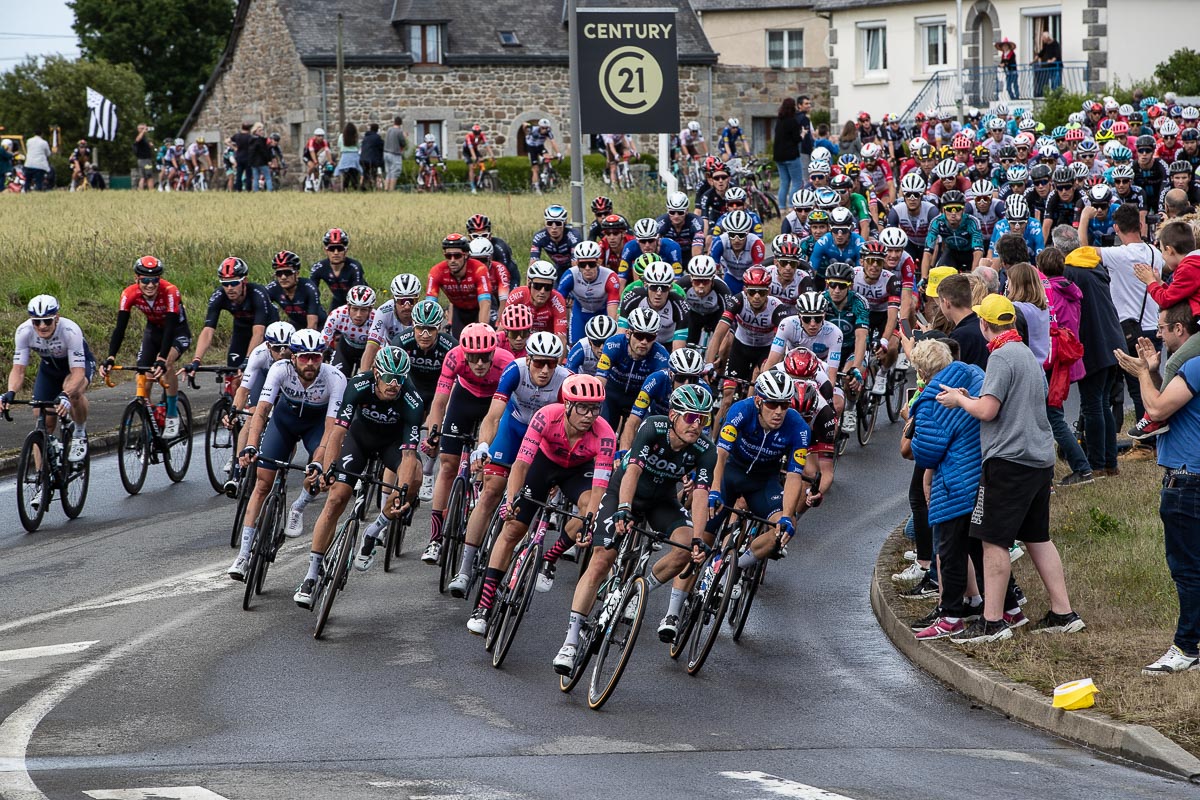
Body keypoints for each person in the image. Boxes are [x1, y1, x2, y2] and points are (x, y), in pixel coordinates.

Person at [936, 294, 1084, 643]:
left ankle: (992, 622)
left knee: (993, 540)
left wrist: (959, 400)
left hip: (1009, 462)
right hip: (1038, 459)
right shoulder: (1027, 355)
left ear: (985, 325)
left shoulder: (1001, 357)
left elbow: (988, 411)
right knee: (1037, 537)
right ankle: (1064, 612)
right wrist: (971, 398)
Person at [553, 384, 716, 672]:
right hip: (625, 490)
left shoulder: (705, 450)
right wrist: (624, 509)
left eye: (703, 419)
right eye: (691, 417)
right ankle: (569, 641)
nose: (697, 425)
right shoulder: (653, 428)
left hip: (661, 500)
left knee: (684, 548)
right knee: (602, 558)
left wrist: (698, 540)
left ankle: (637, 593)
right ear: (673, 415)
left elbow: (701, 494)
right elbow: (634, 470)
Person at [292, 346, 423, 604]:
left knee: (415, 475)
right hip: (359, 441)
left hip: (392, 445)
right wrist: (330, 468)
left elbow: (408, 456)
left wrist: (402, 492)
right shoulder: (358, 385)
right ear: (376, 373)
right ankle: (311, 575)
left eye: (400, 378)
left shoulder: (412, 400)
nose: (394, 384)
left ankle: (375, 531)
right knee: (336, 498)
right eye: (388, 377)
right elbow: (338, 433)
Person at [1112, 307, 1200, 675]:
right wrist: (1153, 369)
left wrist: (1141, 376)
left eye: (1164, 329)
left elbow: (1156, 408)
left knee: (1187, 570)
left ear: (1182, 327)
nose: (1160, 335)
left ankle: (1186, 646)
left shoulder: (1194, 365)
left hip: (1187, 480)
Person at [227, 329, 346, 579]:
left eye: (316, 357)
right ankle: (243, 555)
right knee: (262, 483)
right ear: (293, 357)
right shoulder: (280, 369)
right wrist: (251, 444)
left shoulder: (335, 377)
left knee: (317, 477)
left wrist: (317, 460)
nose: (311, 363)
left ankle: (299, 506)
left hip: (317, 427)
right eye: (304, 357)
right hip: (284, 422)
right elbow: (261, 411)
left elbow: (331, 427)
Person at [908, 338, 986, 638]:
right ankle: (1007, 603)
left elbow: (926, 452)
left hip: (954, 483)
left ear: (923, 371)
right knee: (983, 547)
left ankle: (950, 614)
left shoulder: (931, 400)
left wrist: (912, 428)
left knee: (949, 551)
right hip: (981, 473)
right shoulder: (974, 375)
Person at [100, 256, 191, 441]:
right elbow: (120, 328)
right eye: (145, 280)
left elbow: (171, 327)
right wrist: (110, 357)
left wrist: (162, 358)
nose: (150, 285)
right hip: (153, 331)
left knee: (167, 364)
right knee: (143, 374)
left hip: (176, 332)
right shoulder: (129, 294)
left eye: (155, 280)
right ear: (137, 279)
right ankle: (149, 422)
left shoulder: (170, 291)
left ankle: (172, 413)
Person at [3, 296, 94, 464]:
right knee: (42, 419)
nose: (42, 326)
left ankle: (79, 433)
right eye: (37, 322)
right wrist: (10, 392)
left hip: (76, 367)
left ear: (56, 318)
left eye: (47, 321)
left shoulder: (70, 331)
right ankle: (41, 482)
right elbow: (18, 370)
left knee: (73, 394)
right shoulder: (24, 332)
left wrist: (65, 394)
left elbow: (78, 372)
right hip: (49, 370)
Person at [1064, 244, 1126, 477]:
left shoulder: (1071, 272)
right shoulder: (1094, 268)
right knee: (1102, 404)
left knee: (1092, 405)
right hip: (1112, 340)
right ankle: (1110, 463)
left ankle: (1097, 464)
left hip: (1095, 344)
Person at [1037, 248, 1091, 485]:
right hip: (1067, 358)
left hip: (1055, 359)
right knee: (1053, 414)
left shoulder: (1050, 294)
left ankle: (1081, 467)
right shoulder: (1071, 290)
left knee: (1053, 416)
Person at [931, 273, 989, 369]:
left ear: (946, 303)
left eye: (940, 302)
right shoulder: (982, 325)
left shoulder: (959, 336)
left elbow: (946, 374)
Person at [310, 227, 366, 311]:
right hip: (338, 301)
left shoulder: (355, 267)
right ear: (326, 251)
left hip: (360, 301)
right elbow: (311, 294)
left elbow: (358, 294)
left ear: (345, 251)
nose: (336, 253)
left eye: (340, 249)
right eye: (332, 249)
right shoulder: (318, 268)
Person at [774, 98, 804, 212]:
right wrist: (803, 135)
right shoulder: (793, 121)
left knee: (784, 182)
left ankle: (781, 208)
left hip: (779, 156)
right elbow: (796, 139)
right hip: (791, 155)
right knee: (797, 182)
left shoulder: (779, 120)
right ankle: (792, 205)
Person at [383, 116, 407, 192]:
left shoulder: (389, 130)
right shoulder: (399, 131)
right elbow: (403, 143)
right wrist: (405, 137)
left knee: (388, 172)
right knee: (395, 172)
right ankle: (391, 189)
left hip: (386, 153)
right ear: (400, 124)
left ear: (394, 122)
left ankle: (386, 188)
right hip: (394, 154)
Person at [335, 123, 361, 191]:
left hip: (345, 156)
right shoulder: (355, 136)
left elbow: (339, 146)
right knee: (354, 174)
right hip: (354, 156)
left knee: (346, 175)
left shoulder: (341, 136)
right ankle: (355, 188)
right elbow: (358, 146)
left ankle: (345, 188)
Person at [1035, 31, 1062, 96]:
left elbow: (1057, 54)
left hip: (1056, 66)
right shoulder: (1046, 45)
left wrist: (1052, 60)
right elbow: (1041, 53)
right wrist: (1034, 60)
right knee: (1051, 82)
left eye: (1043, 38)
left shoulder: (1055, 44)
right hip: (1050, 67)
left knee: (1055, 82)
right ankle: (1052, 95)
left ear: (1047, 38)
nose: (1043, 40)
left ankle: (1057, 96)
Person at [360, 123, 384, 190]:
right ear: (377, 130)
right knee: (373, 174)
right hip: (372, 160)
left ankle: (363, 188)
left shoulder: (365, 138)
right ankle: (371, 188)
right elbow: (381, 147)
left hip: (363, 159)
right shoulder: (377, 138)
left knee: (365, 174)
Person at [231, 122, 254, 192]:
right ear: (249, 129)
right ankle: (248, 190)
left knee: (239, 175)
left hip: (239, 157)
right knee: (248, 175)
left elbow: (227, 141)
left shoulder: (237, 136)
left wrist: (234, 147)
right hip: (247, 157)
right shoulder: (250, 137)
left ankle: (239, 189)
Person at [249, 123, 272, 191]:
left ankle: (256, 191)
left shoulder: (251, 140)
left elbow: (250, 152)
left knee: (256, 178)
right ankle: (269, 191)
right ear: (256, 131)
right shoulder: (261, 140)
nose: (262, 132)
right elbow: (264, 151)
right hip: (262, 162)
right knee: (268, 177)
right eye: (260, 130)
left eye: (262, 130)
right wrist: (268, 160)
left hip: (254, 162)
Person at [134, 124, 156, 190]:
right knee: (149, 176)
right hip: (145, 160)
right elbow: (137, 140)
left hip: (142, 160)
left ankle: (140, 190)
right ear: (139, 129)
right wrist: (143, 131)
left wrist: (150, 145)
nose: (145, 129)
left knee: (143, 177)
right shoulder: (140, 137)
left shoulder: (144, 138)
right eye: (142, 128)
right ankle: (151, 190)